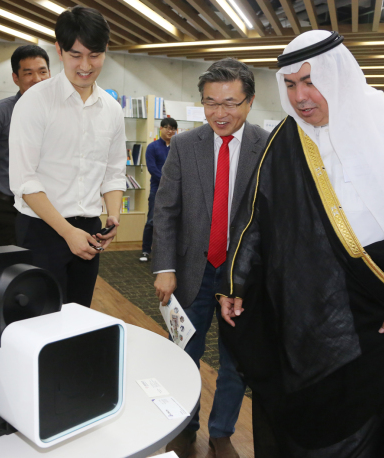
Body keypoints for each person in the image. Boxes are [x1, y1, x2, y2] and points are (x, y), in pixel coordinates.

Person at [218, 31, 384, 457]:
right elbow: (255, 221)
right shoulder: (288, 139)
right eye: (290, 84)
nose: (300, 97)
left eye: (311, 81)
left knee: (382, 429)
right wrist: (235, 285)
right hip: (312, 319)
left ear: (340, 75)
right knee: (312, 421)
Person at [152, 58, 270, 458]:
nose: (220, 113)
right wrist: (164, 267)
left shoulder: (266, 146)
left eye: (231, 103)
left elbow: (270, 217)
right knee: (184, 353)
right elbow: (166, 210)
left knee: (237, 362)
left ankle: (221, 432)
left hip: (242, 277)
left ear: (250, 102)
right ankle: (184, 429)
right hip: (190, 272)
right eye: (210, 102)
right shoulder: (186, 145)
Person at [9, 6, 125, 307]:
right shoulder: (35, 101)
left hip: (88, 230)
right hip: (41, 229)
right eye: (76, 55)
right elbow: (24, 180)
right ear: (59, 51)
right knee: (39, 322)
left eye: (94, 55)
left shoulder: (111, 109)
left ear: (106, 50)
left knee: (78, 318)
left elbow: (113, 171)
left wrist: (113, 215)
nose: (86, 65)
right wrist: (66, 232)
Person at [0, 45, 51, 247]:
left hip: (44, 211)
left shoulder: (57, 116)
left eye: (43, 71)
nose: (37, 79)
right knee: (5, 274)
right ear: (16, 78)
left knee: (39, 273)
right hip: (3, 211)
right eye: (28, 73)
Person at [139, 117, 178, 262]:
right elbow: (152, 168)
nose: (170, 131)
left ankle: (169, 252)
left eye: (173, 129)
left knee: (173, 222)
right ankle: (145, 250)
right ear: (160, 128)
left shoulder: (177, 146)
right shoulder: (152, 147)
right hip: (158, 189)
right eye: (167, 128)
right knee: (152, 221)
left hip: (176, 190)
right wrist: (167, 181)